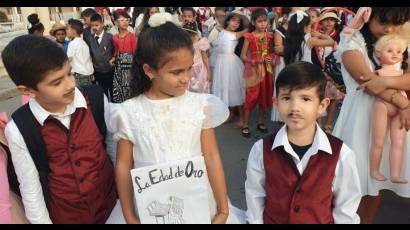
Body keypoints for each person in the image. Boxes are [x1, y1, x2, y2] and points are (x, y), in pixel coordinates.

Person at [106, 13, 238, 224]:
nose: (186, 78)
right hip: (149, 208)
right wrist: (129, 215)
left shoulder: (199, 105)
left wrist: (223, 209)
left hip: (199, 204)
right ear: (149, 71)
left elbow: (212, 156)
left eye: (189, 69)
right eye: (177, 72)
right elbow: (123, 165)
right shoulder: (128, 112)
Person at [1, 35, 117, 224]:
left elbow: (113, 148)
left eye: (69, 73)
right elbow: (31, 191)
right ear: (27, 91)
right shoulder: (19, 129)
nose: (70, 84)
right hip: (66, 216)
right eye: (56, 82)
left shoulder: (96, 99)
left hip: (112, 209)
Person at [245, 61, 362, 224]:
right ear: (276, 102)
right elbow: (255, 197)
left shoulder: (341, 154)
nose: (295, 107)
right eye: (286, 98)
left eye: (305, 99)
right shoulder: (261, 150)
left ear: (322, 105)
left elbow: (346, 209)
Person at [332, 7, 410, 224]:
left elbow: (380, 82)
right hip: (360, 119)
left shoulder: (400, 42)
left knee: (378, 183)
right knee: (353, 183)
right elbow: (365, 80)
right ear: (368, 17)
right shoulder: (351, 41)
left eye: (397, 22)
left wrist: (383, 81)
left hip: (390, 122)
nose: (391, 29)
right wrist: (403, 102)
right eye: (384, 21)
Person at [368, 34, 408, 184]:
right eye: (389, 50)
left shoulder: (402, 74)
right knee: (378, 141)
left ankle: (395, 174)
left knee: (398, 142)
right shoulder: (377, 73)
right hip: (382, 105)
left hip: (400, 109)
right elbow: (369, 85)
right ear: (378, 53)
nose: (395, 54)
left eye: (398, 51)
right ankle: (374, 170)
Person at [240, 8, 274, 138]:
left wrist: (269, 59)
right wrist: (253, 61)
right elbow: (243, 55)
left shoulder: (269, 36)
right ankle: (245, 124)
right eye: (260, 21)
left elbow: (272, 53)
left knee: (264, 96)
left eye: (265, 21)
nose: (263, 24)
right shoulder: (249, 36)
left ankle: (260, 122)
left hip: (267, 68)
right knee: (251, 96)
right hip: (254, 70)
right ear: (253, 22)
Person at [212, 12, 248, 125]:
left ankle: (242, 119)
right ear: (228, 21)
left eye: (238, 23)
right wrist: (230, 15)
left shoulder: (237, 34)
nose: (235, 24)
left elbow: (248, 26)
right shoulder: (220, 30)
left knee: (235, 89)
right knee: (225, 88)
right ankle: (230, 114)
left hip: (231, 64)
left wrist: (240, 15)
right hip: (220, 64)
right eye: (233, 21)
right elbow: (219, 20)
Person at [111, 11, 137, 103]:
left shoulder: (132, 36)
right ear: (116, 22)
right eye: (122, 20)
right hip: (118, 67)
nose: (125, 22)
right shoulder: (114, 37)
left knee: (128, 88)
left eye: (127, 20)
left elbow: (136, 53)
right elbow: (116, 51)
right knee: (118, 88)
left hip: (129, 67)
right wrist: (113, 58)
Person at [89, 14, 115, 100]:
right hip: (98, 72)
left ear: (102, 24)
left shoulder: (110, 37)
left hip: (110, 70)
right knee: (103, 94)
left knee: (113, 92)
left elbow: (114, 51)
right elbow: (91, 54)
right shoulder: (91, 38)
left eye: (96, 25)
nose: (94, 27)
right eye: (92, 25)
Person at [182, 21, 211, 94]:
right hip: (190, 68)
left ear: (194, 33)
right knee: (190, 86)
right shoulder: (185, 43)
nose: (189, 37)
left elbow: (205, 58)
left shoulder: (200, 42)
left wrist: (209, 72)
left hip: (200, 68)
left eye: (190, 34)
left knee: (201, 86)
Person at [66, 19, 95, 86]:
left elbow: (69, 59)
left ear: (73, 31)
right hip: (88, 74)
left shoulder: (72, 43)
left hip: (79, 76)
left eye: (67, 29)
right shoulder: (83, 43)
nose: (66, 31)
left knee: (81, 94)